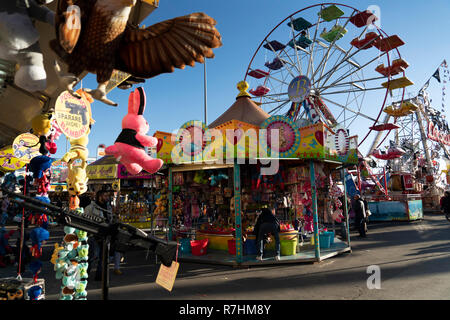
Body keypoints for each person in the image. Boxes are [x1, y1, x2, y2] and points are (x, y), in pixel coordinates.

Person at [84, 190, 123, 279]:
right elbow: (85, 221)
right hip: (94, 234)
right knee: (93, 256)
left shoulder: (108, 207)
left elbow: (110, 219)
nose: (107, 198)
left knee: (103, 257)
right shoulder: (90, 207)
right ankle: (85, 275)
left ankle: (99, 276)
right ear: (99, 196)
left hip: (105, 235)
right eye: (105, 196)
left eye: (107, 196)